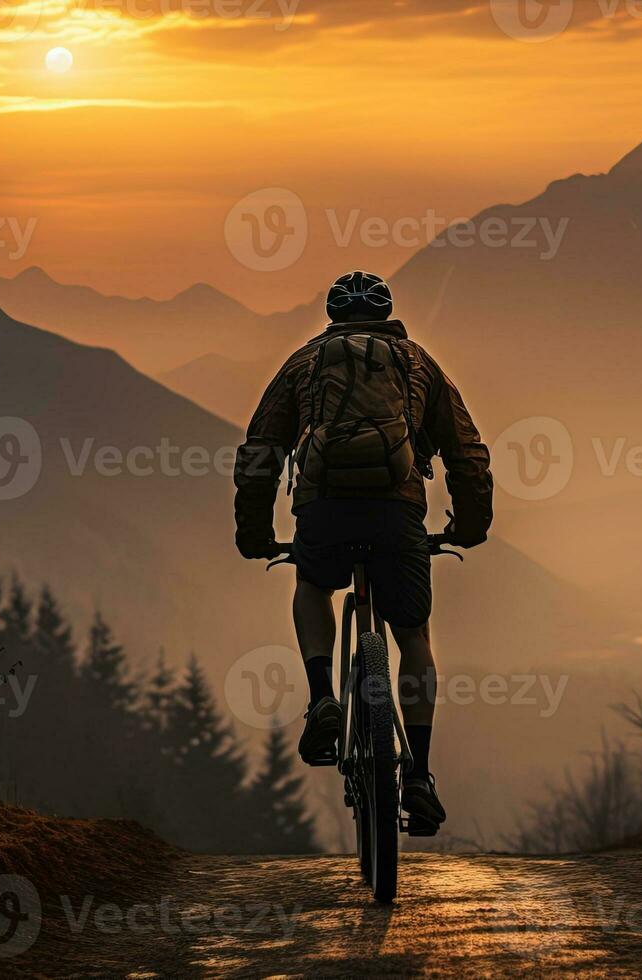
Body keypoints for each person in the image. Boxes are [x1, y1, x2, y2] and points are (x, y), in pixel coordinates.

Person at [233, 270, 493, 829]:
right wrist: (470, 525)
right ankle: (419, 773)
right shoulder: (418, 363)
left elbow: (259, 452)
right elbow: (467, 451)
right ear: (388, 314)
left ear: (332, 317)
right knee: (414, 635)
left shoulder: (303, 364)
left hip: (323, 508)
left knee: (312, 584)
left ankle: (323, 693)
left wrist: (253, 534)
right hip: (397, 513)